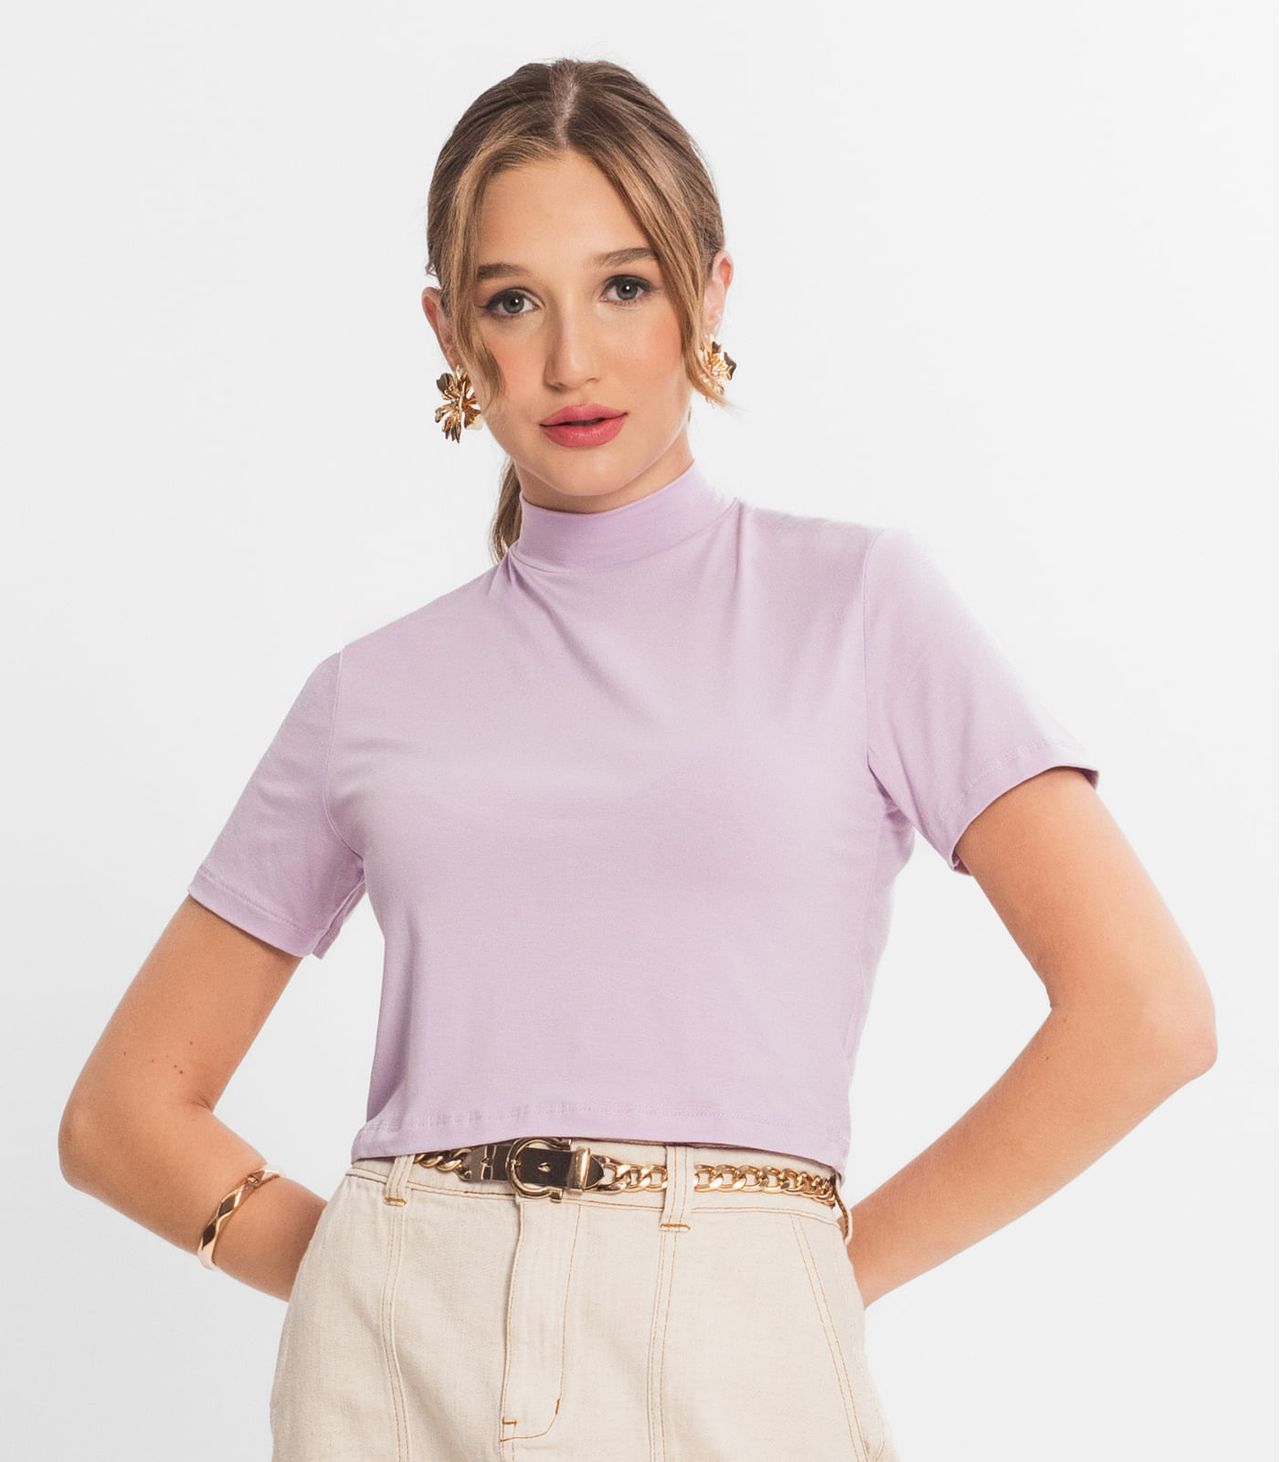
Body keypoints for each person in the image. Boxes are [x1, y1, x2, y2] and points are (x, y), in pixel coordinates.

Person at [58, 57, 1217, 1462]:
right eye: (511, 300)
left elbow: (1145, 1011)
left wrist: (820, 1274)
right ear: (448, 328)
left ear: (709, 295)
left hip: (741, 1345)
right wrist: (372, 1276)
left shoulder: (860, 607)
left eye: (623, 285)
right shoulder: (370, 690)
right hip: (394, 1367)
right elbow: (123, 1114)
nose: (571, 361)